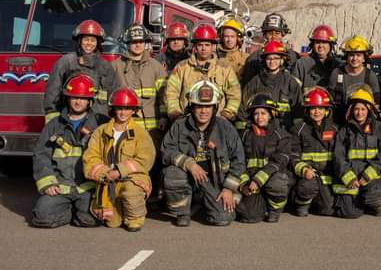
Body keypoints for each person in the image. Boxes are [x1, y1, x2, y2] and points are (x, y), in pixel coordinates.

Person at [161, 80, 246, 227]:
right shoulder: (180, 126)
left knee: (223, 218)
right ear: (192, 107)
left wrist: (228, 188)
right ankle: (182, 212)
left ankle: (204, 202)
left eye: (208, 106)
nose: (204, 111)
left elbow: (238, 159)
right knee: (173, 173)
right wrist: (189, 164)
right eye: (199, 106)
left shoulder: (225, 127)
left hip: (214, 181)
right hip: (188, 177)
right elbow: (166, 151)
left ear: (215, 108)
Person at [31, 74, 107, 228]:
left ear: (90, 100)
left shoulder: (100, 123)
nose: (78, 102)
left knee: (90, 220)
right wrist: (48, 183)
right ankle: (68, 211)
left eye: (83, 98)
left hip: (87, 187)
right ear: (67, 98)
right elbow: (41, 155)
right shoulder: (54, 124)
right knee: (42, 217)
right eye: (74, 97)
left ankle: (79, 211)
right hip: (61, 187)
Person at [83, 88, 155, 231]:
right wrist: (104, 173)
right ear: (113, 109)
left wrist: (120, 170)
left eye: (128, 108)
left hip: (132, 179)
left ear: (134, 110)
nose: (123, 112)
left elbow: (145, 159)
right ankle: (120, 211)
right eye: (119, 108)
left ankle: (134, 217)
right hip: (108, 180)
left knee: (131, 192)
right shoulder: (101, 131)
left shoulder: (140, 133)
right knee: (112, 223)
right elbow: (91, 157)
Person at [111, 24, 167, 164]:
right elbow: (109, 97)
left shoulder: (156, 67)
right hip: (125, 126)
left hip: (152, 130)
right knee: (125, 161)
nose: (137, 45)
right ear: (127, 43)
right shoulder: (115, 66)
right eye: (134, 42)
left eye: (141, 42)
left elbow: (164, 96)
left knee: (152, 162)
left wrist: (164, 117)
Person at [43, 19, 118, 122]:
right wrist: (53, 122)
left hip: (98, 121)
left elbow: (113, 95)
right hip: (70, 120)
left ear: (98, 43)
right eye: (86, 39)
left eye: (93, 40)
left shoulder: (105, 66)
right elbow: (52, 93)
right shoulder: (66, 62)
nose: (89, 43)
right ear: (79, 41)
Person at [165, 23, 241, 123]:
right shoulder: (182, 67)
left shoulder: (224, 68)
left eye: (207, 45)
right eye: (200, 45)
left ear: (213, 46)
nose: (203, 48)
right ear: (195, 46)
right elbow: (171, 92)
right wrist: (175, 113)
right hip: (187, 122)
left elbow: (234, 94)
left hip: (217, 122)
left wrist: (227, 114)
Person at [334, 87, 381, 218]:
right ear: (351, 110)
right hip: (352, 176)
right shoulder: (344, 131)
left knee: (377, 198)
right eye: (356, 109)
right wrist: (349, 177)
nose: (359, 113)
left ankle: (376, 204)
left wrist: (367, 176)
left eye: (363, 109)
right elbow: (339, 157)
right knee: (349, 213)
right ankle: (360, 200)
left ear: (369, 110)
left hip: (372, 176)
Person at [236, 94, 293, 223]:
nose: (259, 117)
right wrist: (244, 184)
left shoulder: (282, 136)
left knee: (279, 182)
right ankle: (260, 204)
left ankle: (275, 210)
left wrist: (258, 179)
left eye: (263, 113)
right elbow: (239, 161)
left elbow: (279, 161)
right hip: (250, 181)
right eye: (256, 113)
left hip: (270, 178)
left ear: (271, 115)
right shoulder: (244, 135)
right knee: (249, 216)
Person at [288, 87, 339, 217]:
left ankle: (316, 201)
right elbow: (293, 155)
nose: (317, 112)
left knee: (327, 210)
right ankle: (301, 203)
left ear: (327, 111)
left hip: (326, 177)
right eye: (313, 108)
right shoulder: (298, 129)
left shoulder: (334, 130)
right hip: (308, 176)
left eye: (321, 108)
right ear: (307, 110)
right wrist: (304, 169)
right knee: (307, 188)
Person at [242, 40, 303, 129]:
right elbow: (243, 107)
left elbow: (298, 111)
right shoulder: (255, 82)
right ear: (264, 60)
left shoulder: (291, 82)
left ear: (282, 60)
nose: (272, 62)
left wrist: (295, 132)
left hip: (285, 131)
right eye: (269, 58)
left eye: (276, 58)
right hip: (260, 131)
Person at [327, 35, 381, 124]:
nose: (355, 59)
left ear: (364, 58)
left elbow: (376, 104)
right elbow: (330, 102)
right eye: (351, 55)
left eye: (358, 55)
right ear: (346, 57)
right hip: (340, 121)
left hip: (364, 121)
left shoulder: (370, 76)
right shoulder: (336, 73)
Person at [241, 12, 300, 86]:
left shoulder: (293, 56)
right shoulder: (253, 59)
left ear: (283, 35)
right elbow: (248, 88)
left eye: (277, 33)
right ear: (265, 35)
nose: (273, 37)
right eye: (270, 33)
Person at [292, 25, 342, 91]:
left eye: (324, 42)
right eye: (317, 42)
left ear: (331, 45)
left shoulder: (337, 65)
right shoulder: (302, 64)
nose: (320, 46)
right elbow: (293, 90)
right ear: (312, 45)